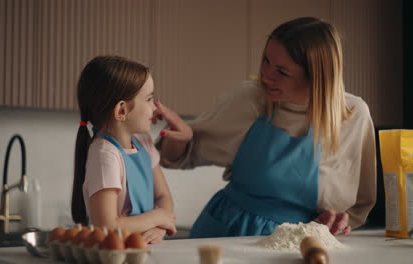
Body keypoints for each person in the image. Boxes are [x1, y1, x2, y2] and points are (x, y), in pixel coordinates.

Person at [153, 17, 376, 238]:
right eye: (266, 61)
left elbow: (358, 204)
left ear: (317, 78)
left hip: (304, 241)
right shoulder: (250, 100)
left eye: (281, 72)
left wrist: (338, 220)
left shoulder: (353, 116)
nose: (266, 76)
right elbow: (178, 156)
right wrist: (179, 138)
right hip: (229, 231)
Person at [71, 55, 176, 244]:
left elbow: (163, 196)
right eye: (149, 99)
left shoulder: (144, 142)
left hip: (143, 249)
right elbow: (105, 226)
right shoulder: (105, 155)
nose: (155, 108)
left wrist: (160, 227)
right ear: (121, 111)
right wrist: (158, 218)